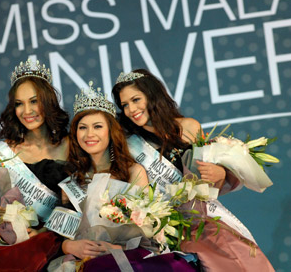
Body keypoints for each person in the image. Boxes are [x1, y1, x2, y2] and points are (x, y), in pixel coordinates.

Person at [112, 69, 274, 271]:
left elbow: (207, 181)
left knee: (239, 253)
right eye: (125, 105)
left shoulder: (188, 127)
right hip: (169, 229)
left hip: (205, 220)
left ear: (152, 95)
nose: (131, 109)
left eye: (136, 99)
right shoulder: (130, 146)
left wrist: (221, 174)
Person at [50, 82, 197, 271]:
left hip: (129, 254)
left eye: (97, 126)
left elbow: (147, 229)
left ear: (111, 132)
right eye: (82, 127)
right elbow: (62, 233)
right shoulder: (71, 178)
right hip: (85, 256)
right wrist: (69, 246)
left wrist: (117, 248)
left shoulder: (133, 172)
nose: (89, 134)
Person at [0, 59, 70, 272]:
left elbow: (82, 202)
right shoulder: (6, 151)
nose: (27, 110)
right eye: (19, 103)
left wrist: (44, 233)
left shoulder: (71, 146)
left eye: (34, 101)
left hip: (55, 239)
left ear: (48, 101)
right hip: (9, 238)